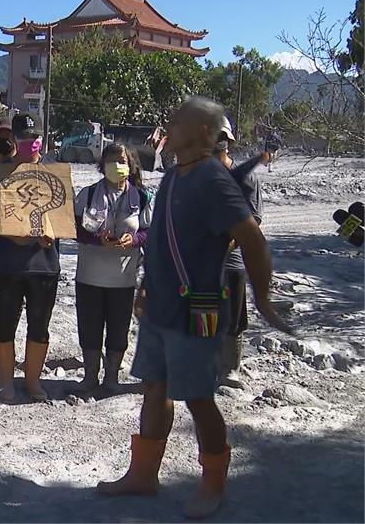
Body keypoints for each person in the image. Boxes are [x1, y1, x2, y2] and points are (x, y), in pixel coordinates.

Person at [97, 97, 290, 519]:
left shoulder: (213, 179)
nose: (170, 123)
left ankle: (214, 482)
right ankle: (143, 474)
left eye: (179, 119)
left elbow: (252, 238)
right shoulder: (173, 176)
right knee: (154, 387)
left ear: (203, 132)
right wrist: (147, 285)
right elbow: (162, 239)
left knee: (199, 397)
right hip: (162, 304)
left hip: (199, 306)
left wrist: (262, 297)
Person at [0, 113, 58, 403]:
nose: (30, 141)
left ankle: (33, 381)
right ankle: (5, 381)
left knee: (40, 325)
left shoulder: (54, 171)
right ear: (13, 139)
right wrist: (6, 229)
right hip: (7, 263)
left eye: (34, 136)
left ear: (42, 138)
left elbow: (64, 215)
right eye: (24, 136)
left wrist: (53, 232)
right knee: (4, 324)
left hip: (44, 264)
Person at [73, 143, 152, 394]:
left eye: (122, 161)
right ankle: (89, 377)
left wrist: (135, 240)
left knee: (118, 329)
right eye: (111, 160)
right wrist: (97, 240)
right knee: (89, 327)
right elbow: (74, 228)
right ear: (102, 164)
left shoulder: (141, 197)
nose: (117, 166)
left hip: (123, 278)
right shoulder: (87, 194)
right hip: (89, 276)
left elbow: (149, 232)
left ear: (131, 166)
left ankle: (111, 378)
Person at [213, 117, 265, 390]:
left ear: (229, 141)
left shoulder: (246, 177)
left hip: (231, 259)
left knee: (233, 315)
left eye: (221, 136)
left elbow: (254, 217)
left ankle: (230, 368)